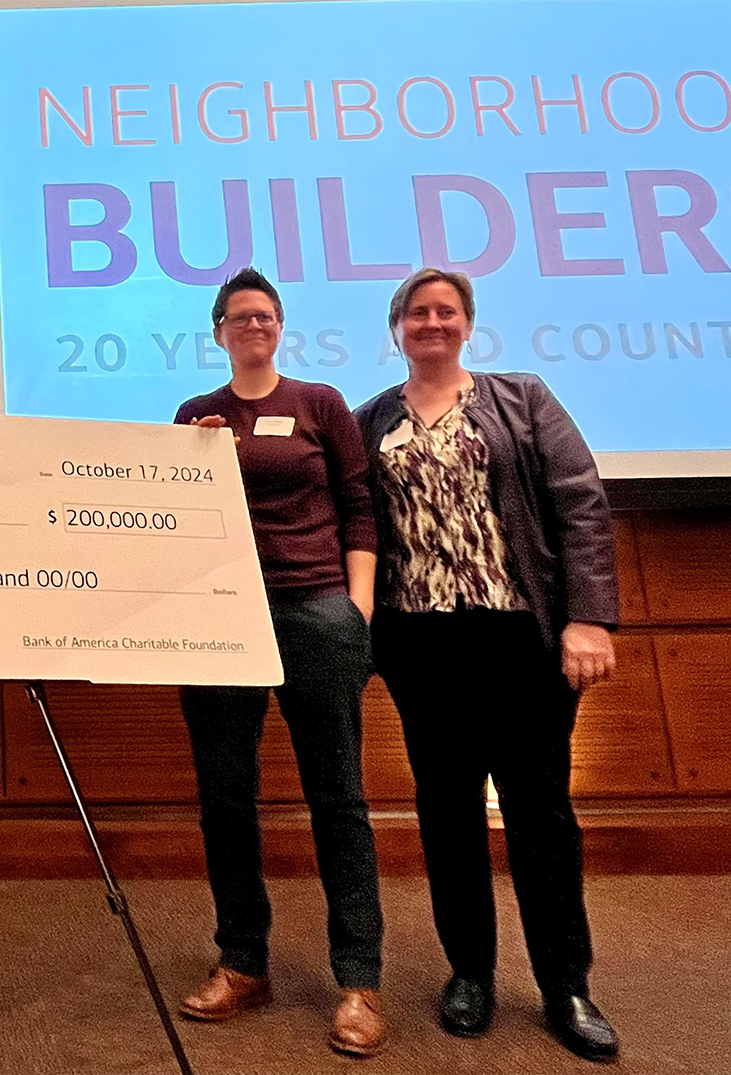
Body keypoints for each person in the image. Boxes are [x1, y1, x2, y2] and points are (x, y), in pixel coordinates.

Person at [355, 268, 620, 1062]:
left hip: (521, 639)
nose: (431, 322)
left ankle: (566, 984)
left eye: (446, 311)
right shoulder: (372, 419)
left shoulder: (522, 399)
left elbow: (580, 502)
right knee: (446, 810)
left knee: (540, 813)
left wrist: (589, 616)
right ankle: (469, 971)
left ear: (467, 323)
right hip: (419, 644)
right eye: (417, 312)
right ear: (397, 327)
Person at [173, 268, 387, 1057]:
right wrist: (202, 463)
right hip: (220, 616)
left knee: (339, 796)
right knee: (226, 796)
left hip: (318, 609)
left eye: (264, 315)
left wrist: (356, 608)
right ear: (219, 330)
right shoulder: (195, 415)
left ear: (279, 325)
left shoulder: (320, 403)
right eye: (238, 316)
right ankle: (242, 961)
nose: (252, 325)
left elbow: (360, 505)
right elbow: (180, 519)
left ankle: (359, 980)